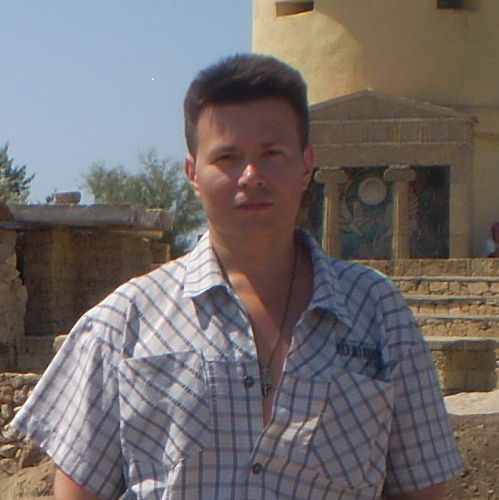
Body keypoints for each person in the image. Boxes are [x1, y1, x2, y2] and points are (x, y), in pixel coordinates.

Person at [11, 53, 462, 500]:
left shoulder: (378, 313)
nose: (251, 176)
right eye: (227, 157)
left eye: (272, 154)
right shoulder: (125, 322)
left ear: (306, 164)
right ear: (193, 173)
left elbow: (423, 489)